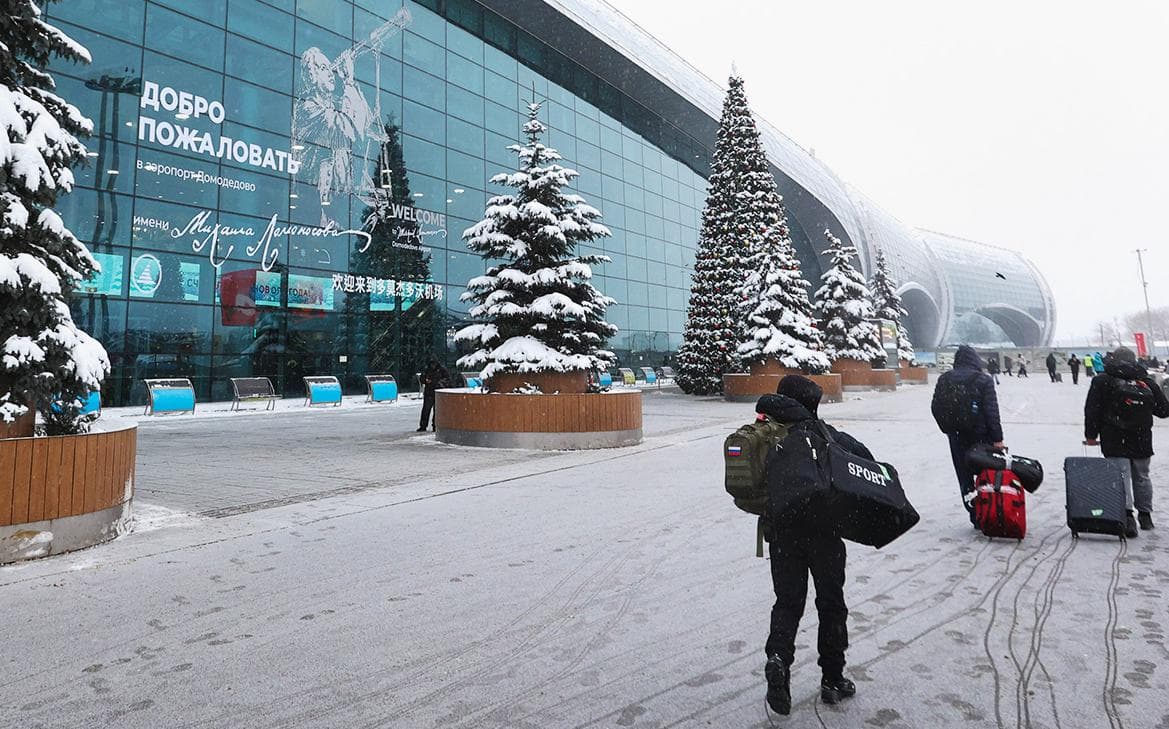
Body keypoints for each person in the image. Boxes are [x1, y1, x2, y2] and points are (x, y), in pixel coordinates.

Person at [759, 375, 871, 715]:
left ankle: (778, 659)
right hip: (824, 532)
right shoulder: (825, 435)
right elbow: (865, 460)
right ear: (810, 404)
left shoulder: (766, 436)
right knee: (831, 604)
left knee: (788, 603)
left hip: (781, 532)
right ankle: (832, 679)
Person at [1083, 346, 1169, 536]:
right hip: (1142, 438)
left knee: (1120, 477)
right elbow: (1164, 410)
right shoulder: (1145, 381)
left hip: (1114, 437)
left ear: (1113, 359)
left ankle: (1127, 517)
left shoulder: (1102, 380)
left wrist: (1091, 435)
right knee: (1142, 476)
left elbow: (1092, 410)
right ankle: (1145, 516)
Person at [931, 345, 1006, 524]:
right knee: (985, 473)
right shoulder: (984, 380)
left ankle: (974, 515)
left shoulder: (944, 379)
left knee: (964, 477)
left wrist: (948, 428)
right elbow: (991, 412)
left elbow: (935, 407)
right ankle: (990, 511)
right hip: (982, 436)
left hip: (956, 436)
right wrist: (997, 439)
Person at [417, 357, 449, 432]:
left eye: (434, 364)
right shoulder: (427, 369)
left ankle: (435, 425)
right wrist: (425, 380)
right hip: (429, 392)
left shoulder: (441, 370)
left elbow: (447, 379)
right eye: (431, 364)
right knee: (426, 410)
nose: (432, 365)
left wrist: (439, 383)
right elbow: (422, 378)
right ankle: (423, 425)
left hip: (438, 392)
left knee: (436, 410)